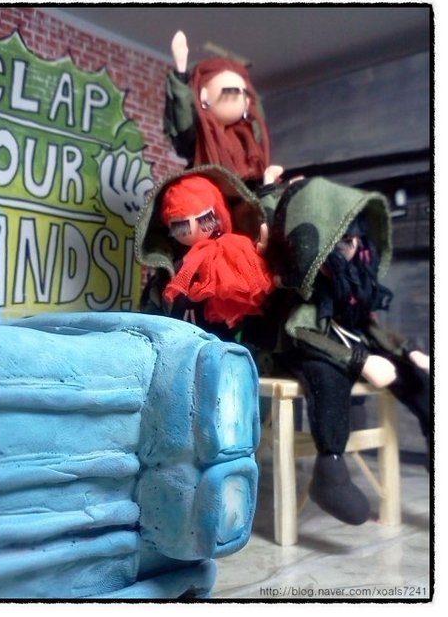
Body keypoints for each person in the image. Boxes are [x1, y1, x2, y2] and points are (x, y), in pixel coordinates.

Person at [262, 176, 430, 525]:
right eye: (342, 241)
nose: (351, 249)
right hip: (310, 347)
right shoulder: (308, 287)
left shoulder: (350, 284)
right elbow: (301, 331)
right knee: (326, 376)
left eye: (354, 240)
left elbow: (367, 325)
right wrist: (360, 360)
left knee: (416, 376)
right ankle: (331, 473)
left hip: (350, 340)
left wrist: (408, 350)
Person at [135, 164, 274, 341]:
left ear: (219, 213)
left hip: (220, 338)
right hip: (175, 337)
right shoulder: (171, 265)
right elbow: (154, 302)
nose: (193, 229)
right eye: (181, 226)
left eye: (204, 219)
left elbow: (251, 292)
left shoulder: (232, 250)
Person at [164, 31, 283, 208]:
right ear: (203, 96)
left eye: (242, 93)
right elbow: (182, 124)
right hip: (205, 200)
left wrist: (268, 185)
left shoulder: (249, 136)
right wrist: (181, 73)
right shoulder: (201, 135)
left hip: (246, 203)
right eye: (229, 91)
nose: (238, 97)